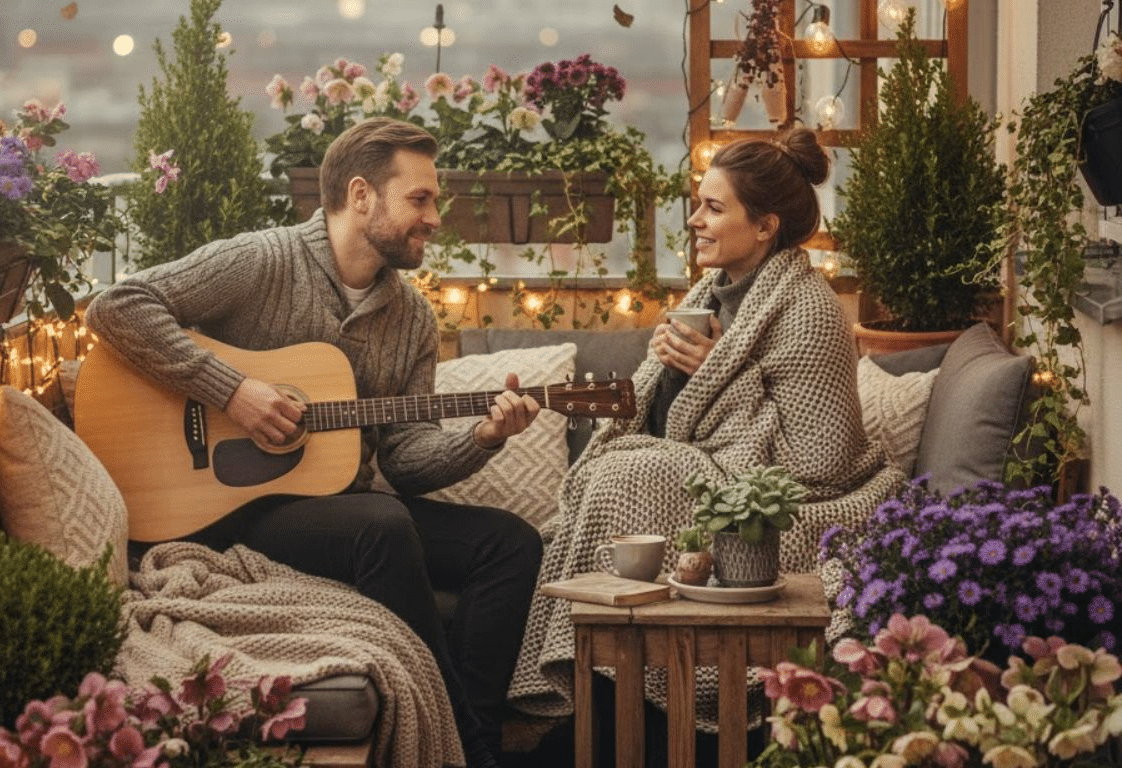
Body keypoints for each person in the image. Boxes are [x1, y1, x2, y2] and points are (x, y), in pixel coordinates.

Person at [85, 117, 544, 768]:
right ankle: (469, 749)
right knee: (379, 524)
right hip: (217, 508)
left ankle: (474, 735)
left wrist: (484, 436)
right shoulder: (263, 260)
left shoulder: (409, 315)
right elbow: (117, 305)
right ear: (362, 196)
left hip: (328, 509)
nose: (435, 217)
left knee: (511, 543)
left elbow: (405, 459)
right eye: (421, 198)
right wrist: (232, 391)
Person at [506, 127, 905, 729]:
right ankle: (608, 693)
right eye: (698, 203)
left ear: (766, 226)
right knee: (621, 470)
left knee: (628, 474)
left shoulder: (811, 311)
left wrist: (720, 372)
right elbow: (666, 421)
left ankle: (613, 705)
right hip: (709, 474)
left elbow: (820, 462)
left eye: (713, 208)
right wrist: (667, 371)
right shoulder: (710, 293)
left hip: (806, 503)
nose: (694, 220)